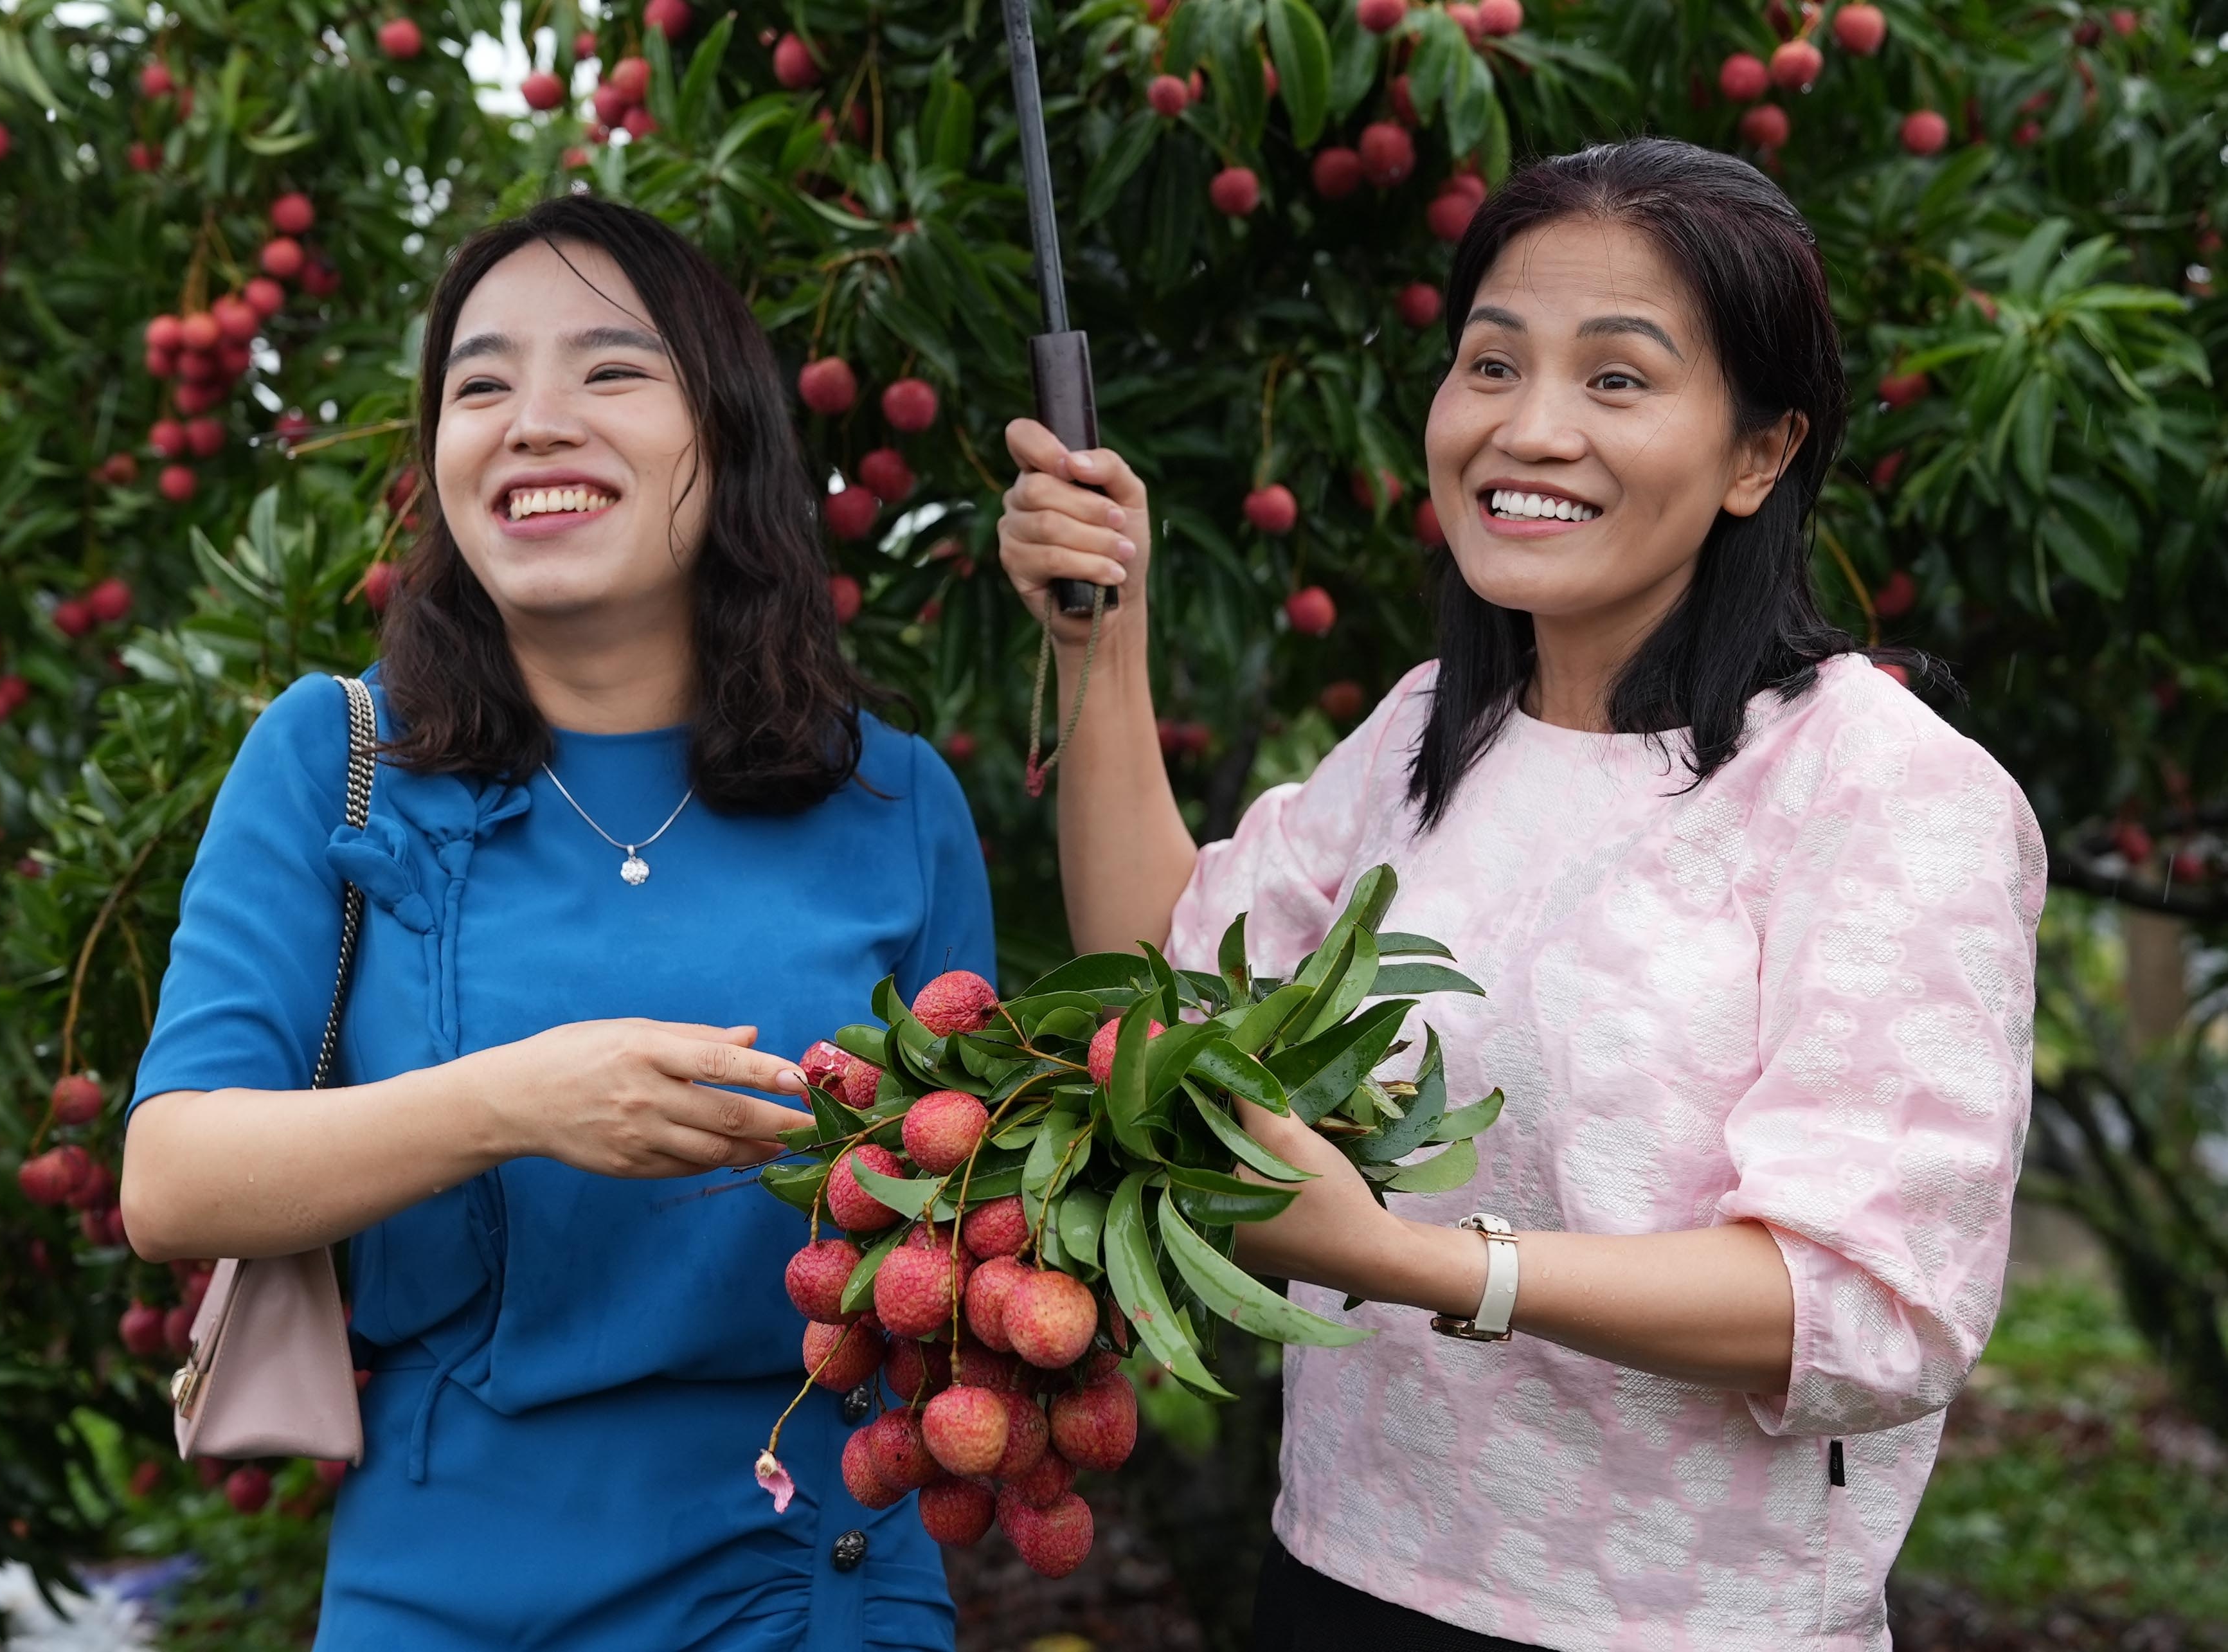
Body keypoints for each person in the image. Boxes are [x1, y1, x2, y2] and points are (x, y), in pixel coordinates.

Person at [996, 138, 2043, 1652]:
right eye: (1493, 364)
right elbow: (1166, 984)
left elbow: (1874, 1306)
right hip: (1341, 1578)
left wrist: (1410, 1263)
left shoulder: (1883, 790)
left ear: (1760, 452)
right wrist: (1106, 632)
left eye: (1617, 380)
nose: (1530, 428)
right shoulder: (1435, 734)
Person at [120, 196, 991, 1652]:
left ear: (724, 435)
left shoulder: (894, 802)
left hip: (808, 1583)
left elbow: (973, 1220)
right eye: (481, 383)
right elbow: (172, 1177)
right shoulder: (333, 761)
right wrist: (514, 1102)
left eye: (609, 369)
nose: (533, 421)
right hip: (445, 1587)